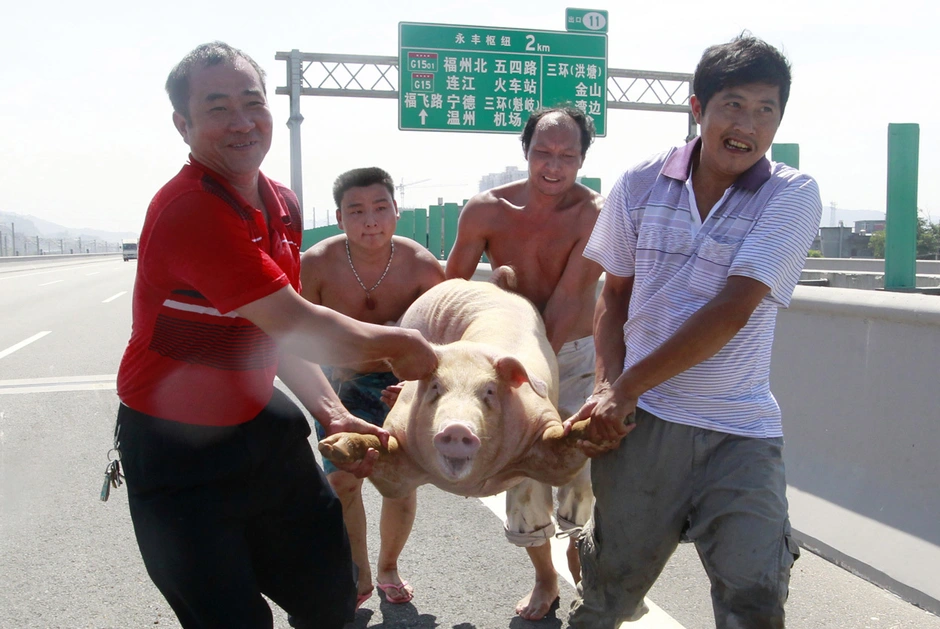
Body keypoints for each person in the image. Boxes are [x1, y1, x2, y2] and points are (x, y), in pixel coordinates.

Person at [113, 42, 437, 629]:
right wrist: (408, 347)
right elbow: (299, 321)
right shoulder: (191, 209)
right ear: (182, 124)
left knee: (330, 597)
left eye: (252, 102)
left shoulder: (281, 203)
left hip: (260, 425)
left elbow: (279, 338)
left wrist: (332, 413)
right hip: (173, 453)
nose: (241, 122)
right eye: (217, 107)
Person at [563, 33, 824, 628]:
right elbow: (615, 297)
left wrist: (621, 390)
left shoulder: (791, 194)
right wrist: (609, 389)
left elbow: (733, 310)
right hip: (645, 425)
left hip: (742, 429)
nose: (748, 125)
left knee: (755, 591)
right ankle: (595, 566)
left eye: (766, 110)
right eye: (733, 104)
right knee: (611, 595)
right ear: (696, 106)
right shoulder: (638, 185)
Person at [446, 106, 604, 621]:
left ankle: (582, 556)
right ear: (525, 150)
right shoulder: (486, 210)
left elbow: (568, 297)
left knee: (579, 470)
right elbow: (451, 290)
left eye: (567, 156)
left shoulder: (593, 214)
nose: (553, 167)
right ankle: (544, 578)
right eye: (543, 152)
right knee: (522, 471)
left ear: (583, 158)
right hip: (508, 356)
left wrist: (538, 375)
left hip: (574, 355)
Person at [299, 166, 445, 607]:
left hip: (400, 387)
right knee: (343, 480)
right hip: (338, 383)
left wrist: (417, 388)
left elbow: (443, 339)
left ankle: (388, 567)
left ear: (396, 211)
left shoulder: (420, 265)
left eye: (381, 208)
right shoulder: (316, 264)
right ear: (339, 218)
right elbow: (296, 337)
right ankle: (359, 573)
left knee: (399, 483)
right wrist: (324, 393)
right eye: (356, 211)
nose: (370, 221)